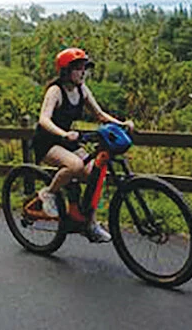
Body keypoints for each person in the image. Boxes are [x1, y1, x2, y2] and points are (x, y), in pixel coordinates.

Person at [31, 47, 134, 242]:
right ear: (65, 71)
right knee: (75, 165)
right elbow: (44, 120)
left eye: (84, 68)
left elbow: (100, 115)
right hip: (47, 141)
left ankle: (88, 222)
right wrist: (64, 133)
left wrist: (122, 124)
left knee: (94, 175)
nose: (82, 72)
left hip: (69, 140)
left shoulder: (82, 89)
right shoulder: (55, 91)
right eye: (78, 68)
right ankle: (48, 194)